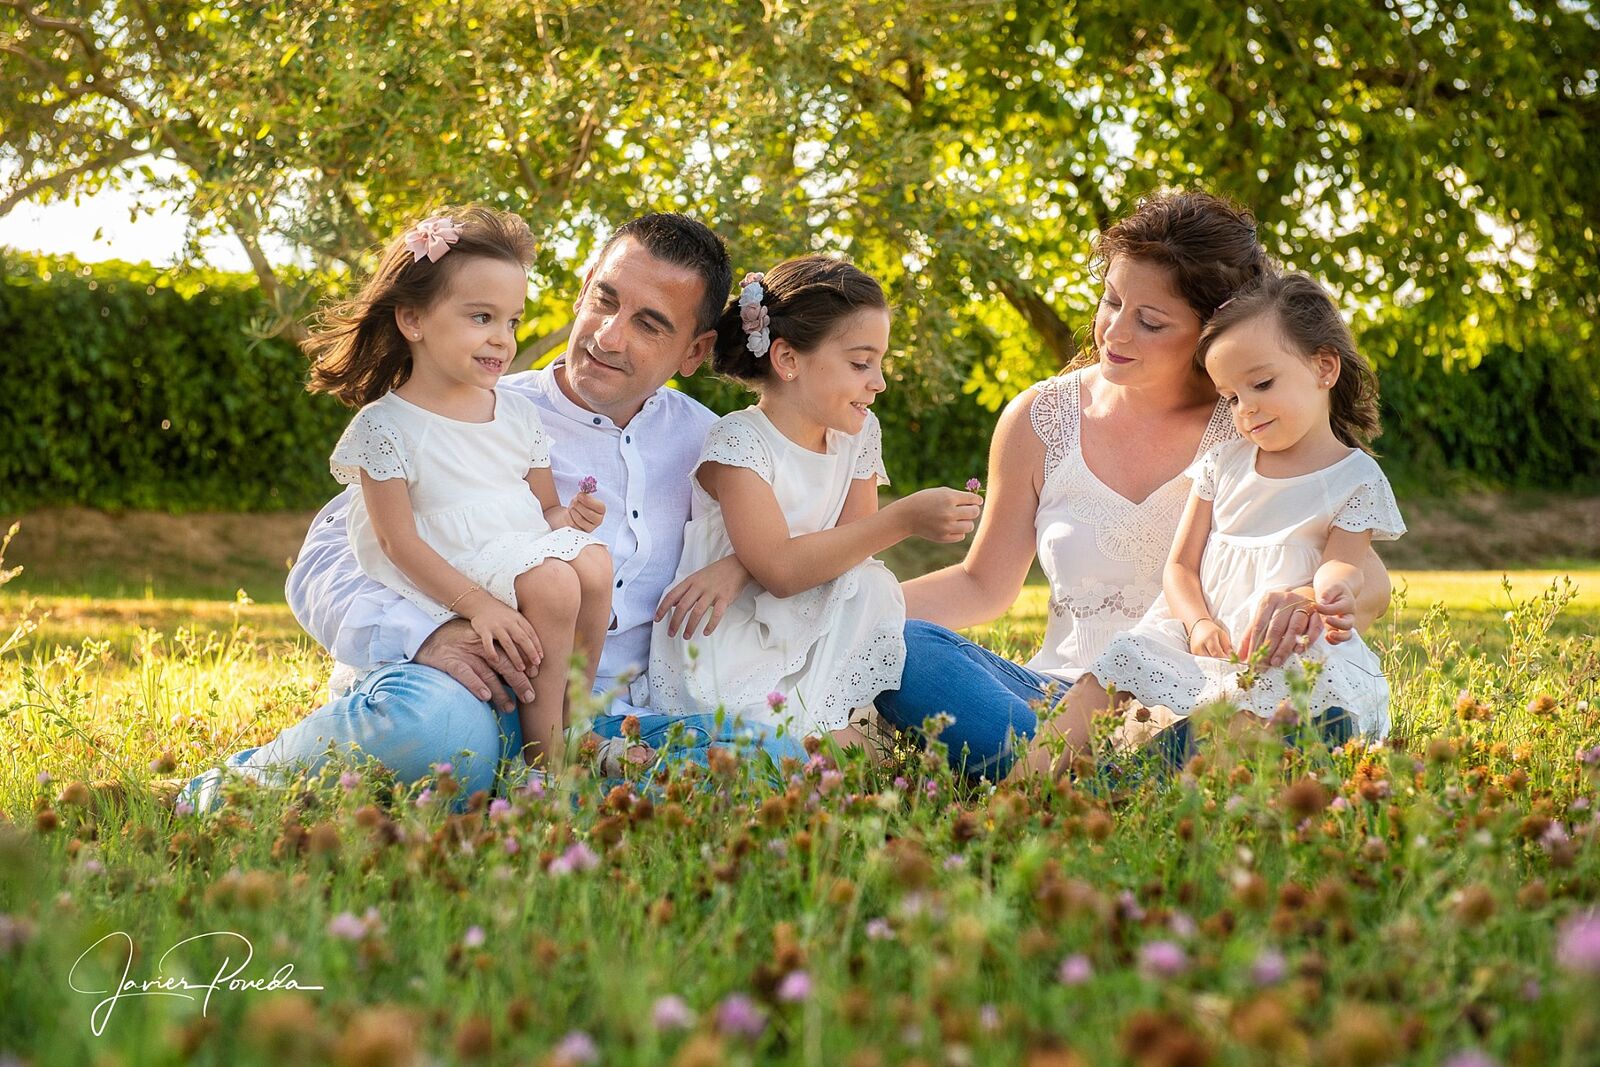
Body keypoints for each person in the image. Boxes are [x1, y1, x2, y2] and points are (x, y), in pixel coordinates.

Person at [183, 213, 805, 810]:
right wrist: (429, 635)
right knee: (433, 732)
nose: (609, 336)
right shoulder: (467, 406)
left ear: (694, 352)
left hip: (612, 722)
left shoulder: (718, 447)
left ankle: (539, 787)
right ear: (582, 289)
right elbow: (324, 562)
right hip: (471, 694)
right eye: (606, 300)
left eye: (649, 325)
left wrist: (742, 566)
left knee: (783, 760)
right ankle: (236, 787)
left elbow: (804, 541)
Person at [874, 191, 1393, 780]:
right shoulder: (1041, 417)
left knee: (1275, 717)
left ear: (1212, 328)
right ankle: (1129, 772)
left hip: (1202, 690)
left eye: (1150, 321)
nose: (1114, 332)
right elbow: (981, 584)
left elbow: (1361, 564)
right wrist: (848, 610)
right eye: (1111, 301)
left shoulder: (1253, 420)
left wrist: (1307, 598)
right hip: (1056, 697)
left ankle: (1098, 773)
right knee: (911, 651)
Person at [1031, 271, 1406, 776]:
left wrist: (1331, 592)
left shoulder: (1354, 476)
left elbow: (1344, 561)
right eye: (1230, 397)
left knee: (1251, 715)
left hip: (1275, 647)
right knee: (1111, 669)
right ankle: (1023, 786)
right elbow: (1180, 567)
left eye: (1262, 384)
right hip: (1198, 628)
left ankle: (1137, 786)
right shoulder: (1224, 463)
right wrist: (1198, 622)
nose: (1245, 409)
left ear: (1324, 367)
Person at [306, 207, 612, 774]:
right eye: (481, 317)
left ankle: (575, 725)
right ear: (413, 320)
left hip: (508, 551)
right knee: (553, 583)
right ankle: (542, 763)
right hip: (449, 573)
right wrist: (479, 609)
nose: (501, 338)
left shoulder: (516, 416)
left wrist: (570, 519)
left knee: (593, 563)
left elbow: (543, 510)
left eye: (512, 322)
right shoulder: (385, 427)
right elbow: (399, 544)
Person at [648, 257, 981, 739]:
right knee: (860, 589)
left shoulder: (858, 435)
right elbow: (782, 572)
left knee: (863, 583)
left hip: (801, 618)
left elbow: (848, 550)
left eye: (880, 363)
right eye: (860, 363)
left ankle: (827, 724)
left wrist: (744, 562)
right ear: (787, 360)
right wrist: (904, 517)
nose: (879, 382)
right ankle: (802, 734)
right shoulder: (740, 442)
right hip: (729, 640)